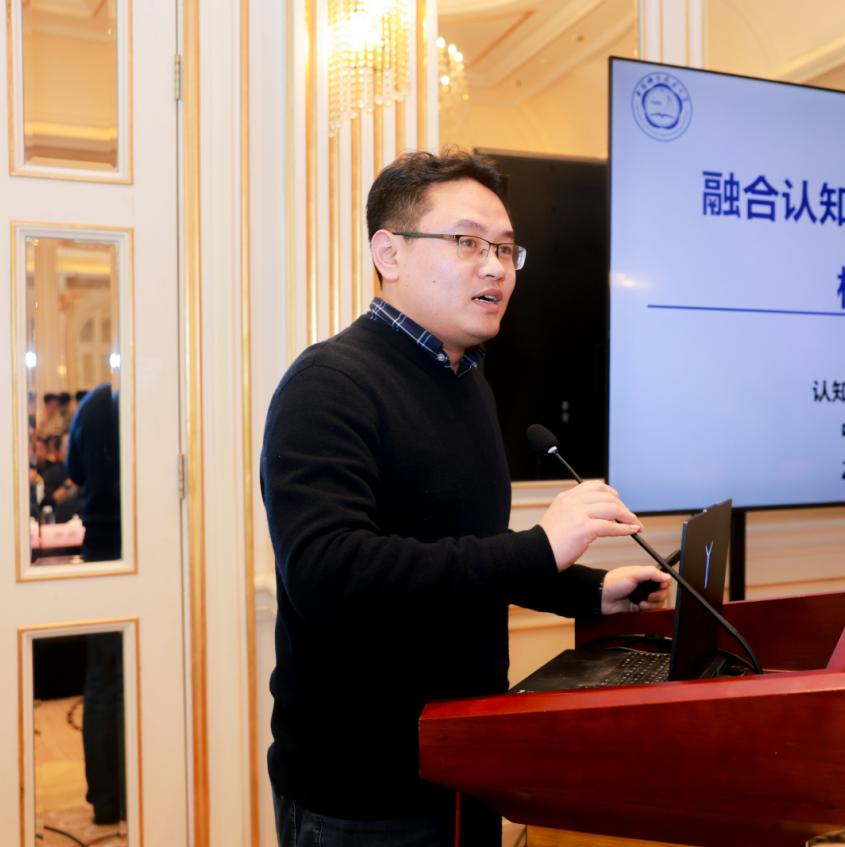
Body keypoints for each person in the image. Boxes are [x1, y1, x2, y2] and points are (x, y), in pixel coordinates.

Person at [261, 149, 670, 847]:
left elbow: (461, 556)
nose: (495, 268)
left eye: (506, 250)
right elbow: (330, 574)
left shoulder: (466, 383)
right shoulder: (329, 384)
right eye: (468, 243)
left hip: (467, 757)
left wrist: (590, 592)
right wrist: (539, 548)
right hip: (364, 792)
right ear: (388, 252)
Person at [67, 382, 125, 825]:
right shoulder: (147, 398)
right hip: (140, 543)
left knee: (102, 681)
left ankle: (106, 802)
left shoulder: (91, 406)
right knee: (131, 677)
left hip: (99, 547)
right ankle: (134, 790)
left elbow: (75, 472)